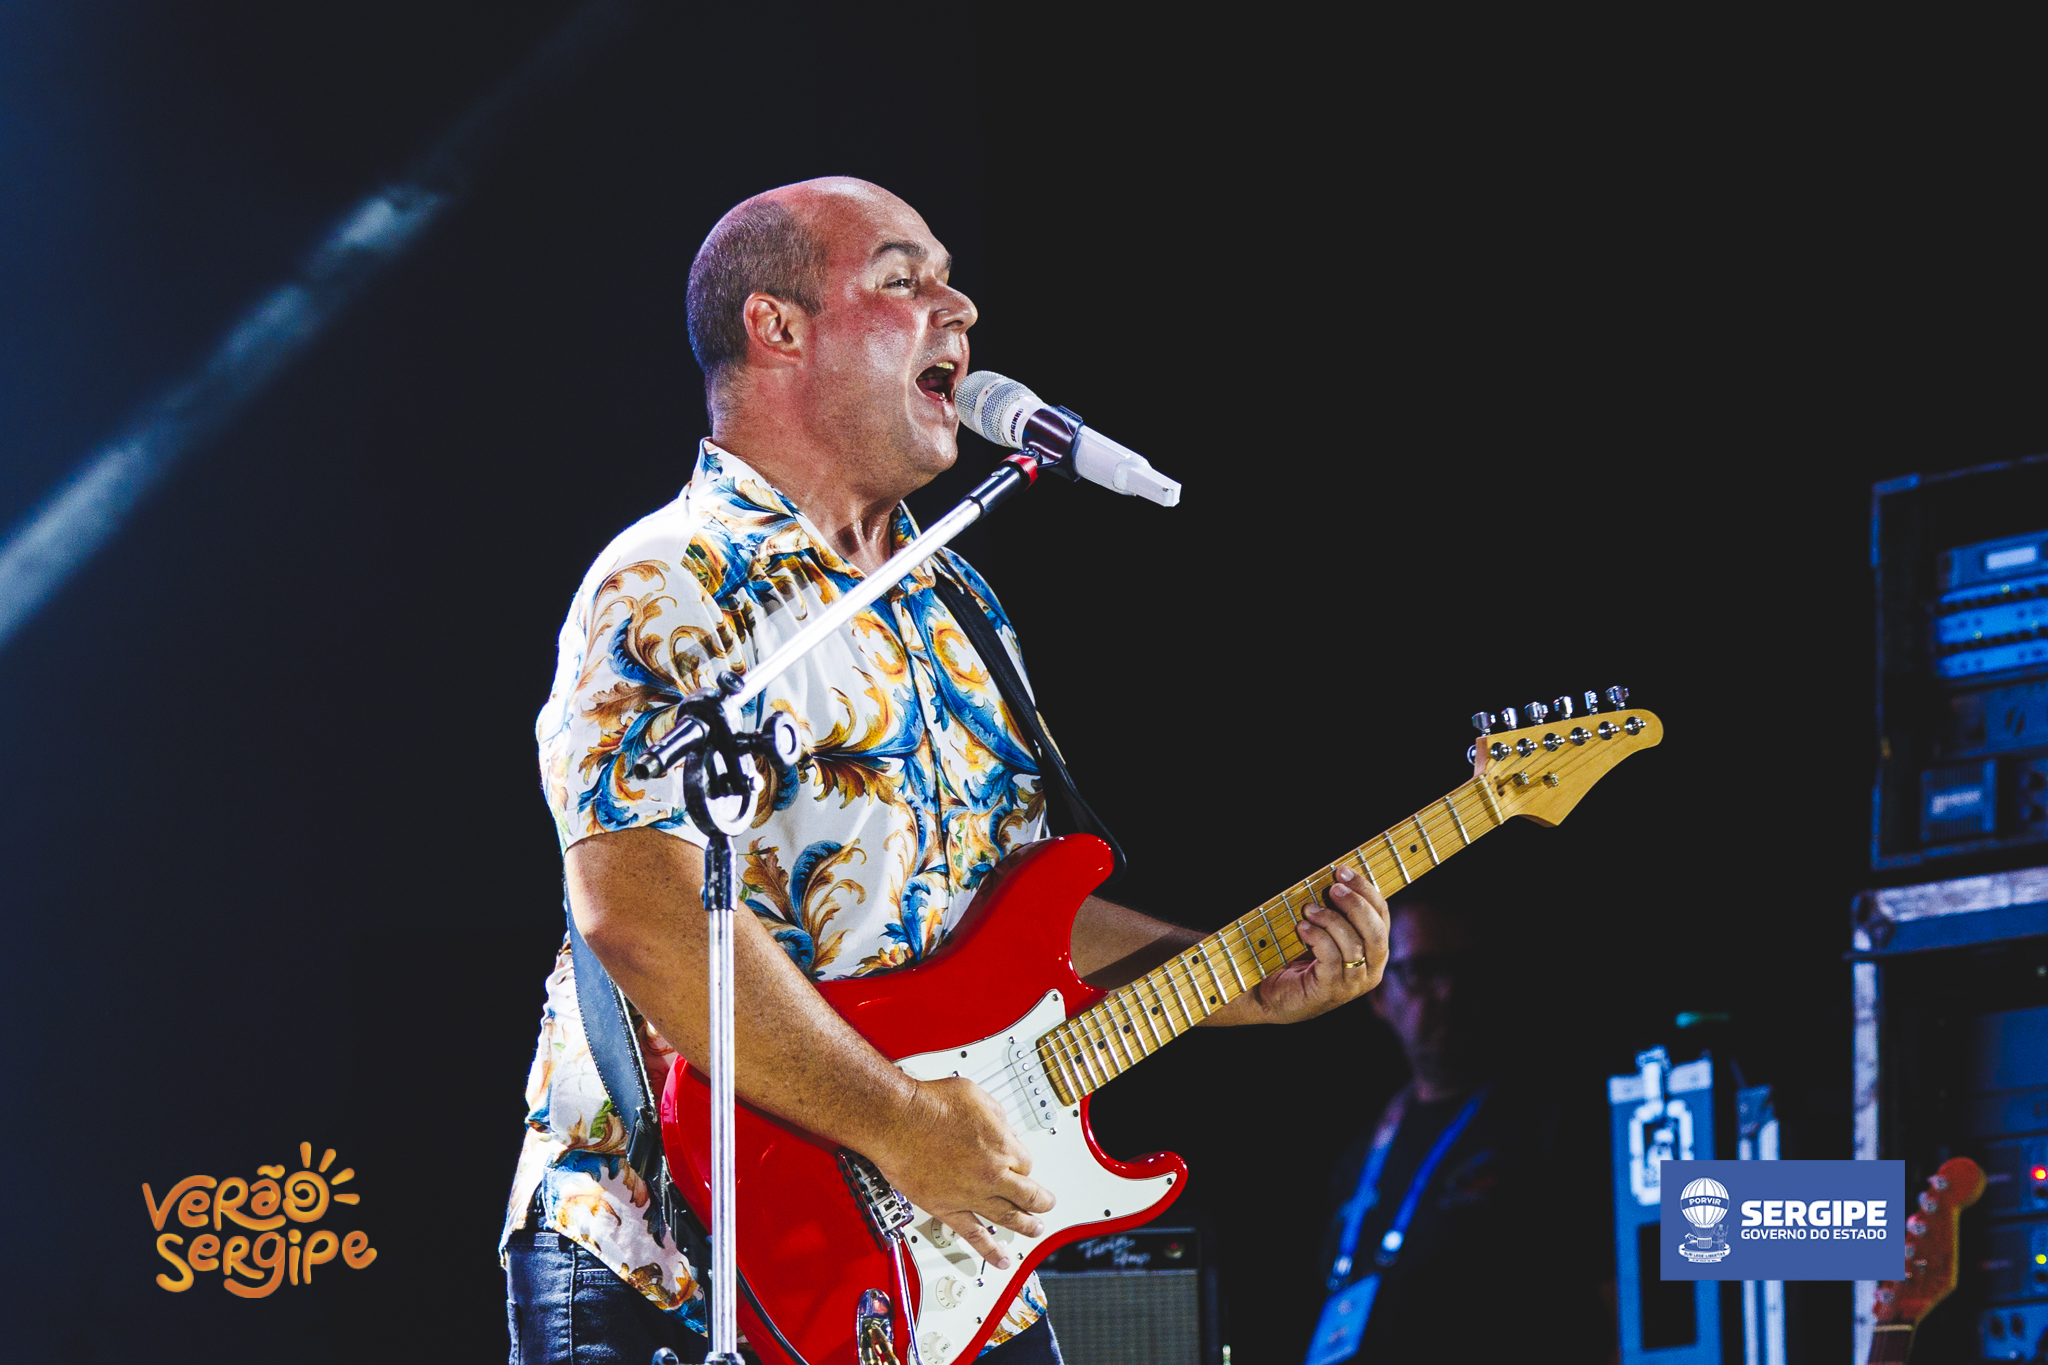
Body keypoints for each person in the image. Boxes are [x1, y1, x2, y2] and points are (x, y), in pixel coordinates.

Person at [501, 176, 1393, 1364]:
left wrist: (1242, 979)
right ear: (777, 326)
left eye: (949, 280)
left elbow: (1016, 914)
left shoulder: (955, 602)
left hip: (938, 1261)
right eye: (901, 278)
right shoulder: (673, 577)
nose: (959, 308)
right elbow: (641, 913)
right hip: (677, 1253)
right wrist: (899, 1120)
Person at [1309, 895, 1609, 1364]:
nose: (1448, 991)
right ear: (1378, 995)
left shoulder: (1561, 1122)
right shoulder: (1361, 1154)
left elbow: (1637, 1309)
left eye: (1464, 968)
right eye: (1422, 971)